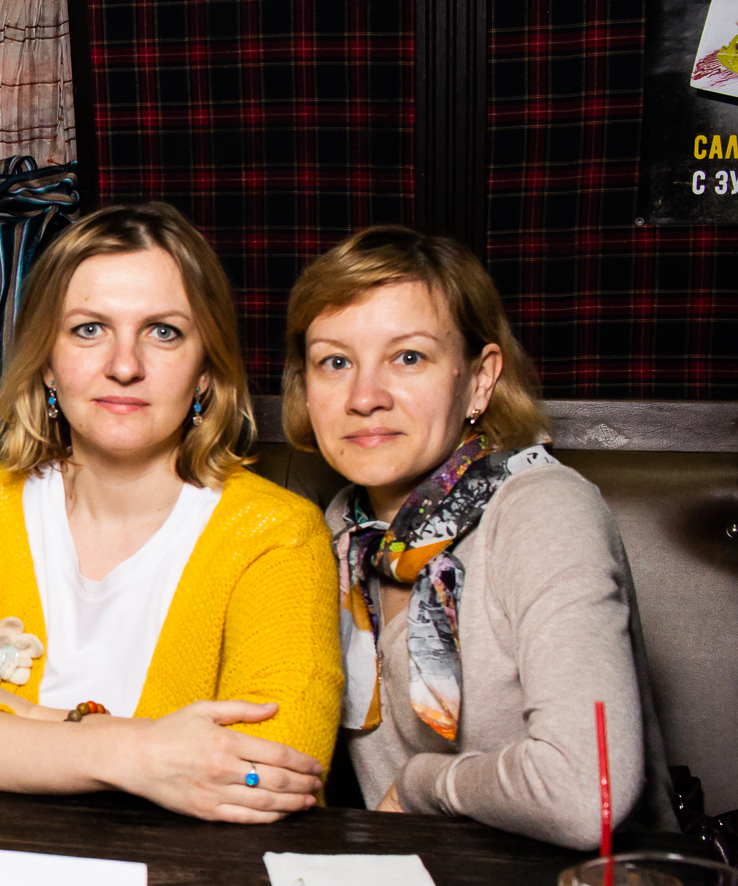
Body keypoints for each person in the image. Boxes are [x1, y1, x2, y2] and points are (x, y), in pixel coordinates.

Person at [0, 203, 342, 822]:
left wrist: (20, 715)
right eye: (89, 329)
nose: (124, 365)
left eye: (163, 332)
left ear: (205, 371)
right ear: (46, 361)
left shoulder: (275, 533)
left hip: (190, 876)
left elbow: (273, 769)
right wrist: (145, 753)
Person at [284, 225, 674, 847]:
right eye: (335, 362)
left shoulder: (544, 510)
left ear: (479, 379)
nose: (364, 397)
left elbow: (587, 796)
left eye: (408, 357)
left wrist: (421, 785)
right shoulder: (341, 528)